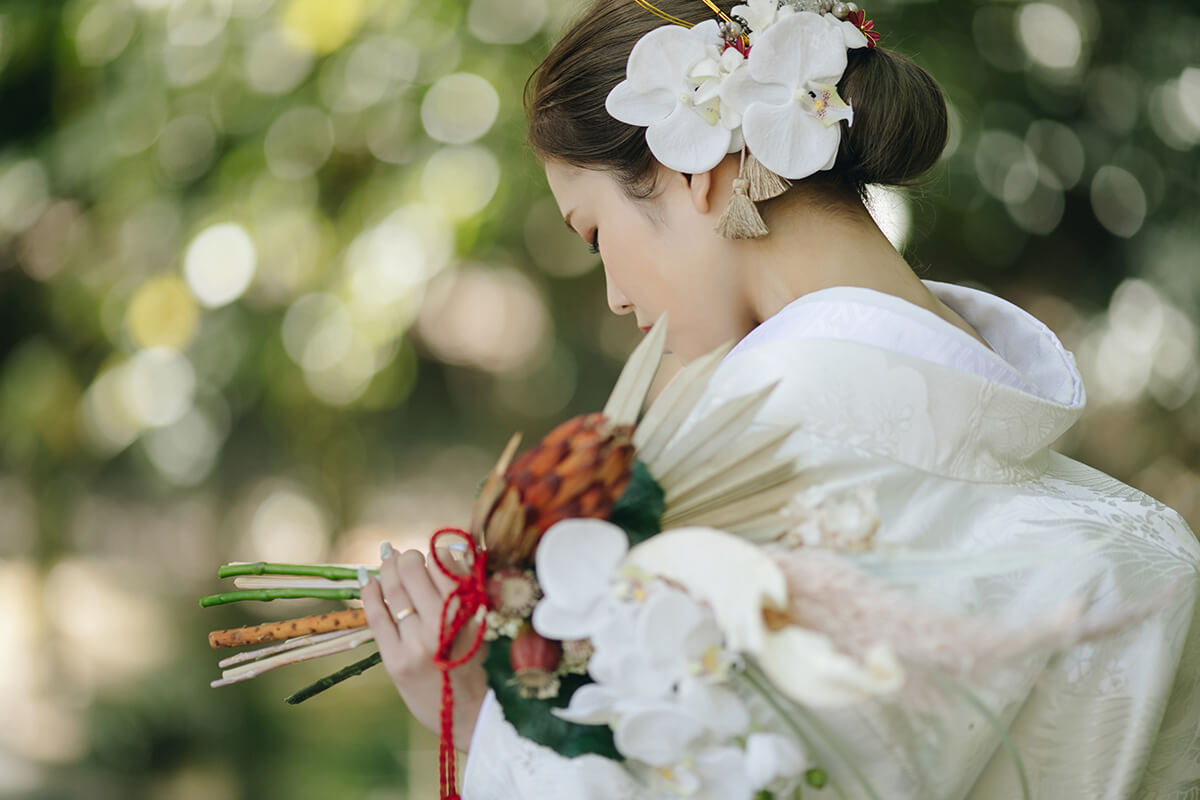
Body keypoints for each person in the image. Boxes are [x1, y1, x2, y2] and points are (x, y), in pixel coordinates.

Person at [360, 0, 1200, 797]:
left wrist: (485, 726)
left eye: (594, 235)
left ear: (691, 162)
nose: (616, 294)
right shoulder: (1155, 544)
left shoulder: (714, 505)